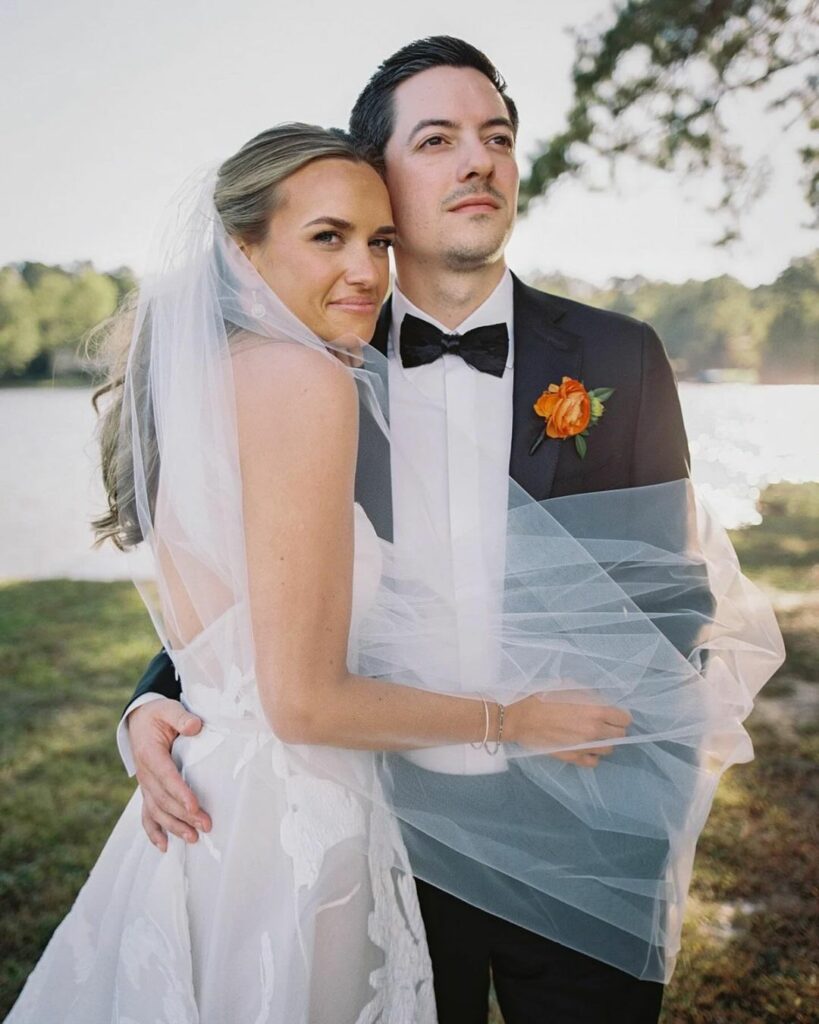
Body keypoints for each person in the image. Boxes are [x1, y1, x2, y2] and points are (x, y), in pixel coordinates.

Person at [9, 122, 638, 1024]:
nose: (365, 271)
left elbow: (237, 629)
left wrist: (153, 709)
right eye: (327, 238)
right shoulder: (309, 380)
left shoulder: (203, 377)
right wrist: (517, 718)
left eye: (378, 240)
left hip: (214, 794)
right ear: (242, 249)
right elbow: (302, 700)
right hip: (292, 819)